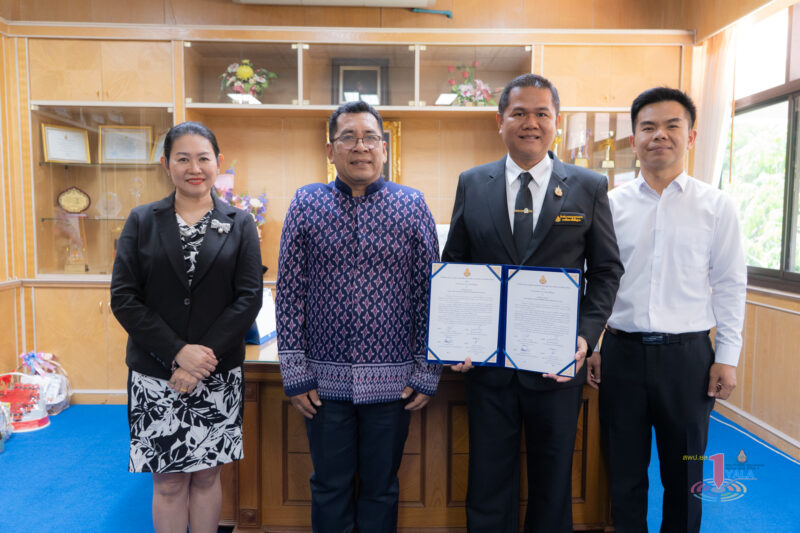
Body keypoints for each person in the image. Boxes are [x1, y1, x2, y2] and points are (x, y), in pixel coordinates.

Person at [443, 73, 623, 533]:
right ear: (499, 120)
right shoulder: (472, 183)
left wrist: (585, 337)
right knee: (487, 478)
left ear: (556, 122)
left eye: (542, 113)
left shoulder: (588, 186)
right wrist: (455, 337)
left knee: (552, 479)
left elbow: (606, 271)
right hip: (488, 367)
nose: (531, 122)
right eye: (519, 113)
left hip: (556, 364)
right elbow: (456, 264)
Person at [276, 100, 441, 533]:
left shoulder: (411, 205)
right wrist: (295, 372)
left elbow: (430, 291)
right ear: (330, 150)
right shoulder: (306, 203)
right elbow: (289, 291)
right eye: (348, 137)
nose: (360, 147)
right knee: (329, 485)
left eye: (370, 138)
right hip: (322, 385)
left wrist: (427, 370)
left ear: (384, 148)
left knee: (381, 487)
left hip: (394, 384)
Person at [586, 87, 746, 533]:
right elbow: (595, 280)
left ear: (690, 136)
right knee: (624, 474)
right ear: (633, 139)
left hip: (688, 359)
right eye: (648, 127)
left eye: (672, 126)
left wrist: (727, 356)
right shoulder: (609, 205)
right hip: (621, 354)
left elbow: (730, 284)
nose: (660, 135)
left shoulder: (717, 206)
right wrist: (594, 343)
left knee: (686, 477)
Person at [110, 121, 264, 533]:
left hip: (217, 372)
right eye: (183, 159)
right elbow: (124, 297)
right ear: (166, 164)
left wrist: (200, 359)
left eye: (203, 158)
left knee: (208, 475)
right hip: (156, 373)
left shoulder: (240, 222)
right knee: (169, 481)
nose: (194, 168)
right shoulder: (142, 220)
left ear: (218, 163)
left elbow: (249, 298)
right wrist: (178, 352)